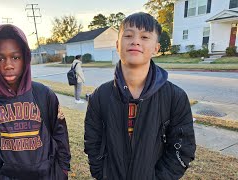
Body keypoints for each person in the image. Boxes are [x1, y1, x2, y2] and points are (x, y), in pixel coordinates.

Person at [84, 12, 196, 179]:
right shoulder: (100, 96)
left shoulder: (175, 97)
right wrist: (102, 174)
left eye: (145, 37)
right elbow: (92, 142)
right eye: (128, 35)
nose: (135, 41)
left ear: (156, 48)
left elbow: (183, 148)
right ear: (117, 45)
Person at [0, 24, 71, 180]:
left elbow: (60, 135)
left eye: (15, 57)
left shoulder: (44, 94)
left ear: (25, 58)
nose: (8, 65)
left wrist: (63, 170)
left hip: (48, 174)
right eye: (0, 58)